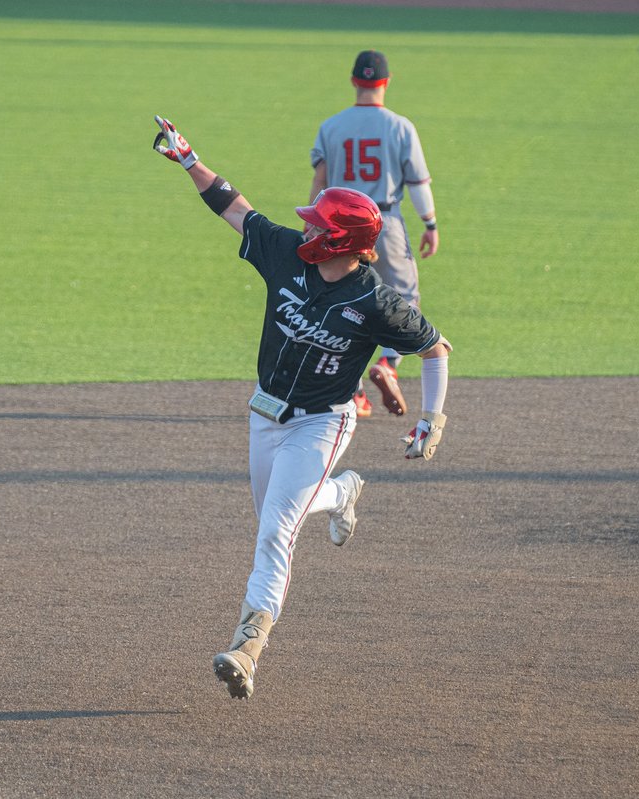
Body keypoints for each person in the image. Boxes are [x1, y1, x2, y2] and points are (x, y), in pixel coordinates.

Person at [152, 114, 452, 700]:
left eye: (318, 223)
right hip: (264, 416)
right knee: (275, 518)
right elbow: (233, 207)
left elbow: (436, 348)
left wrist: (432, 417)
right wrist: (189, 159)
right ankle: (343, 492)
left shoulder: (375, 301)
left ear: (339, 240)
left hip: (322, 423)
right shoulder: (287, 253)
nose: (306, 225)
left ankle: (248, 646)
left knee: (274, 532)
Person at [309, 50, 439, 419]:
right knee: (403, 296)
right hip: (384, 220)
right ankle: (389, 362)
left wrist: (313, 225)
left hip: (336, 224)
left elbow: (320, 179)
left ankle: (354, 392)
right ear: (386, 81)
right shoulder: (400, 126)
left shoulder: (331, 126)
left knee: (341, 301)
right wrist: (430, 224)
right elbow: (418, 183)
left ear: (354, 80)